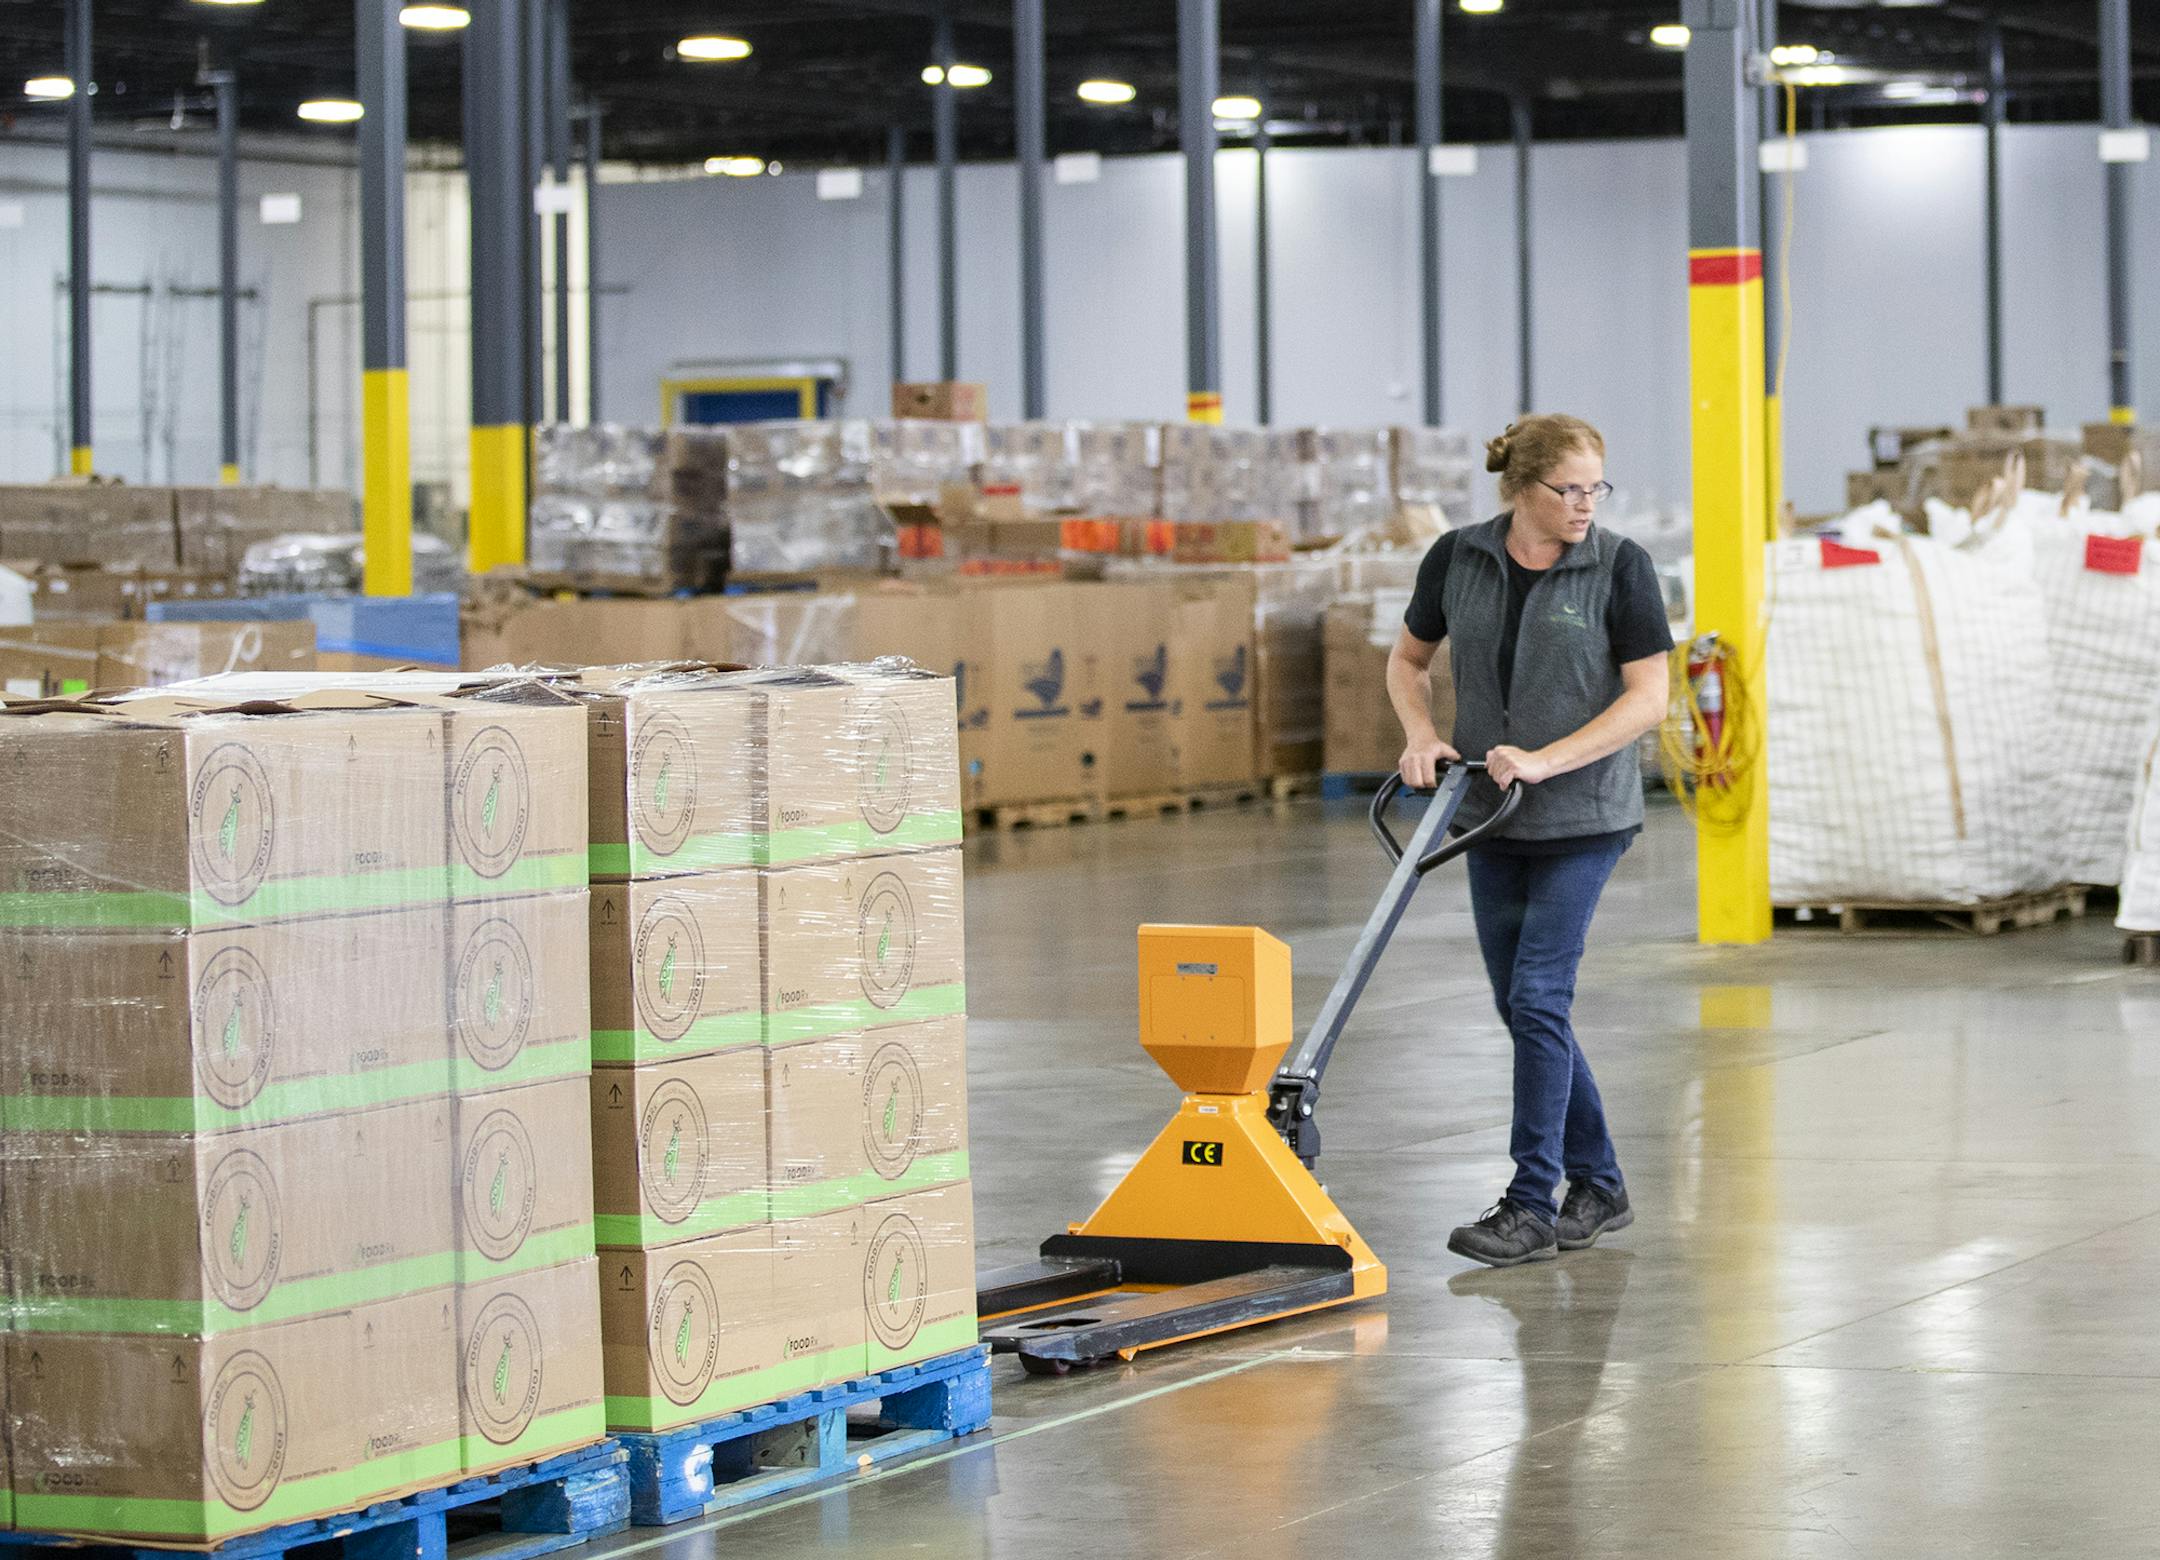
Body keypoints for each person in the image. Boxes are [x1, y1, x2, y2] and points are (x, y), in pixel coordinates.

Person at [1386, 414, 1673, 1268]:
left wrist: (1550, 759)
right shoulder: (1458, 559)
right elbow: (1408, 661)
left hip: (1585, 817)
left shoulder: (1619, 566)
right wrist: (1419, 734)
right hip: (1490, 815)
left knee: (1540, 998)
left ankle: (1529, 1202)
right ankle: (1601, 1182)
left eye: (1595, 488)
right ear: (1521, 490)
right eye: (1568, 489)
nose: (1585, 504)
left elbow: (1648, 697)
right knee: (1523, 1007)